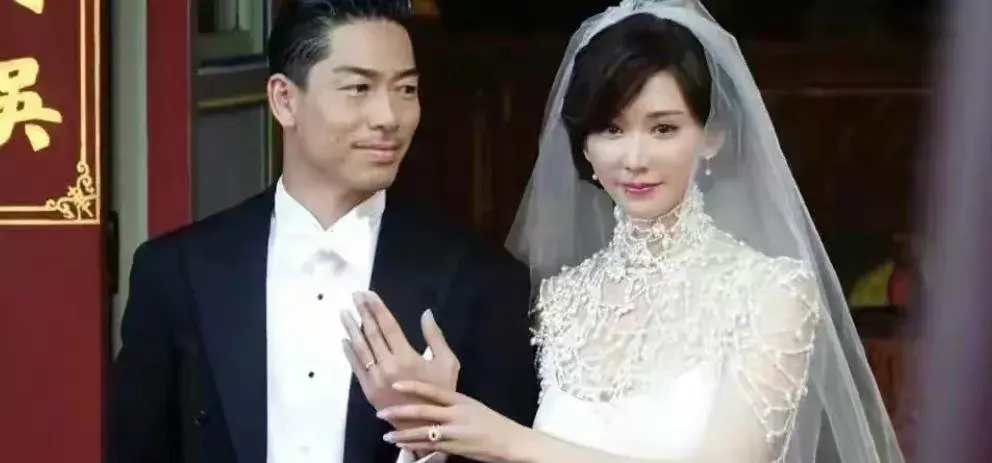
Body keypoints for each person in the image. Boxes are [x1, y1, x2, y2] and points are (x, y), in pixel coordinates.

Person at [344, 0, 905, 461]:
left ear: (710, 137)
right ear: (585, 147)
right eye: (611, 129)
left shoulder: (773, 294)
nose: (634, 158)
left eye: (663, 129)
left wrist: (507, 440)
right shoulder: (560, 301)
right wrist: (434, 425)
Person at [106, 1, 538, 462]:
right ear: (284, 100)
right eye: (358, 88)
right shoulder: (176, 271)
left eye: (406, 89)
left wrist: (431, 435)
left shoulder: (481, 281)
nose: (389, 117)